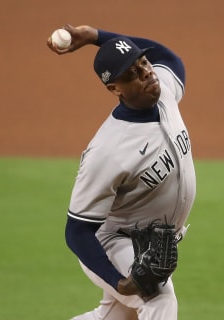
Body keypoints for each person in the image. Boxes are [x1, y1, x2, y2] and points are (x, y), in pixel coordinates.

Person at [47, 25, 196, 320]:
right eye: (131, 73)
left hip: (149, 242)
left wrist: (94, 36)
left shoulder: (163, 90)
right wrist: (118, 281)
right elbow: (77, 230)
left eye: (143, 63)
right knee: (158, 300)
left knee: (116, 317)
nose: (145, 73)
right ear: (114, 88)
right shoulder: (107, 151)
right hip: (114, 243)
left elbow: (168, 56)